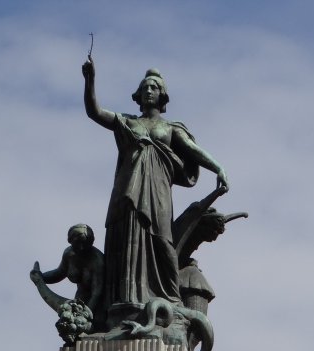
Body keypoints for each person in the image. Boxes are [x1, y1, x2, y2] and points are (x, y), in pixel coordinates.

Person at [82, 58, 228, 309]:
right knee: (128, 238)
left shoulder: (169, 128)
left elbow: (192, 150)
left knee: (162, 240)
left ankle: (170, 299)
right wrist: (90, 80)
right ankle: (126, 301)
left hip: (158, 191)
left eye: (154, 87)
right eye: (145, 88)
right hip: (128, 188)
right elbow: (94, 111)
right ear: (138, 95)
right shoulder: (128, 122)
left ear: (162, 96)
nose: (149, 91)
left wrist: (217, 167)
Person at [30, 224, 106, 327]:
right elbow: (59, 273)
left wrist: (85, 313)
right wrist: (41, 277)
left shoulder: (98, 261)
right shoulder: (69, 254)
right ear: (70, 241)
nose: (81, 247)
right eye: (77, 243)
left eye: (84, 243)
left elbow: (97, 292)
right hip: (80, 299)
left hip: (98, 304)